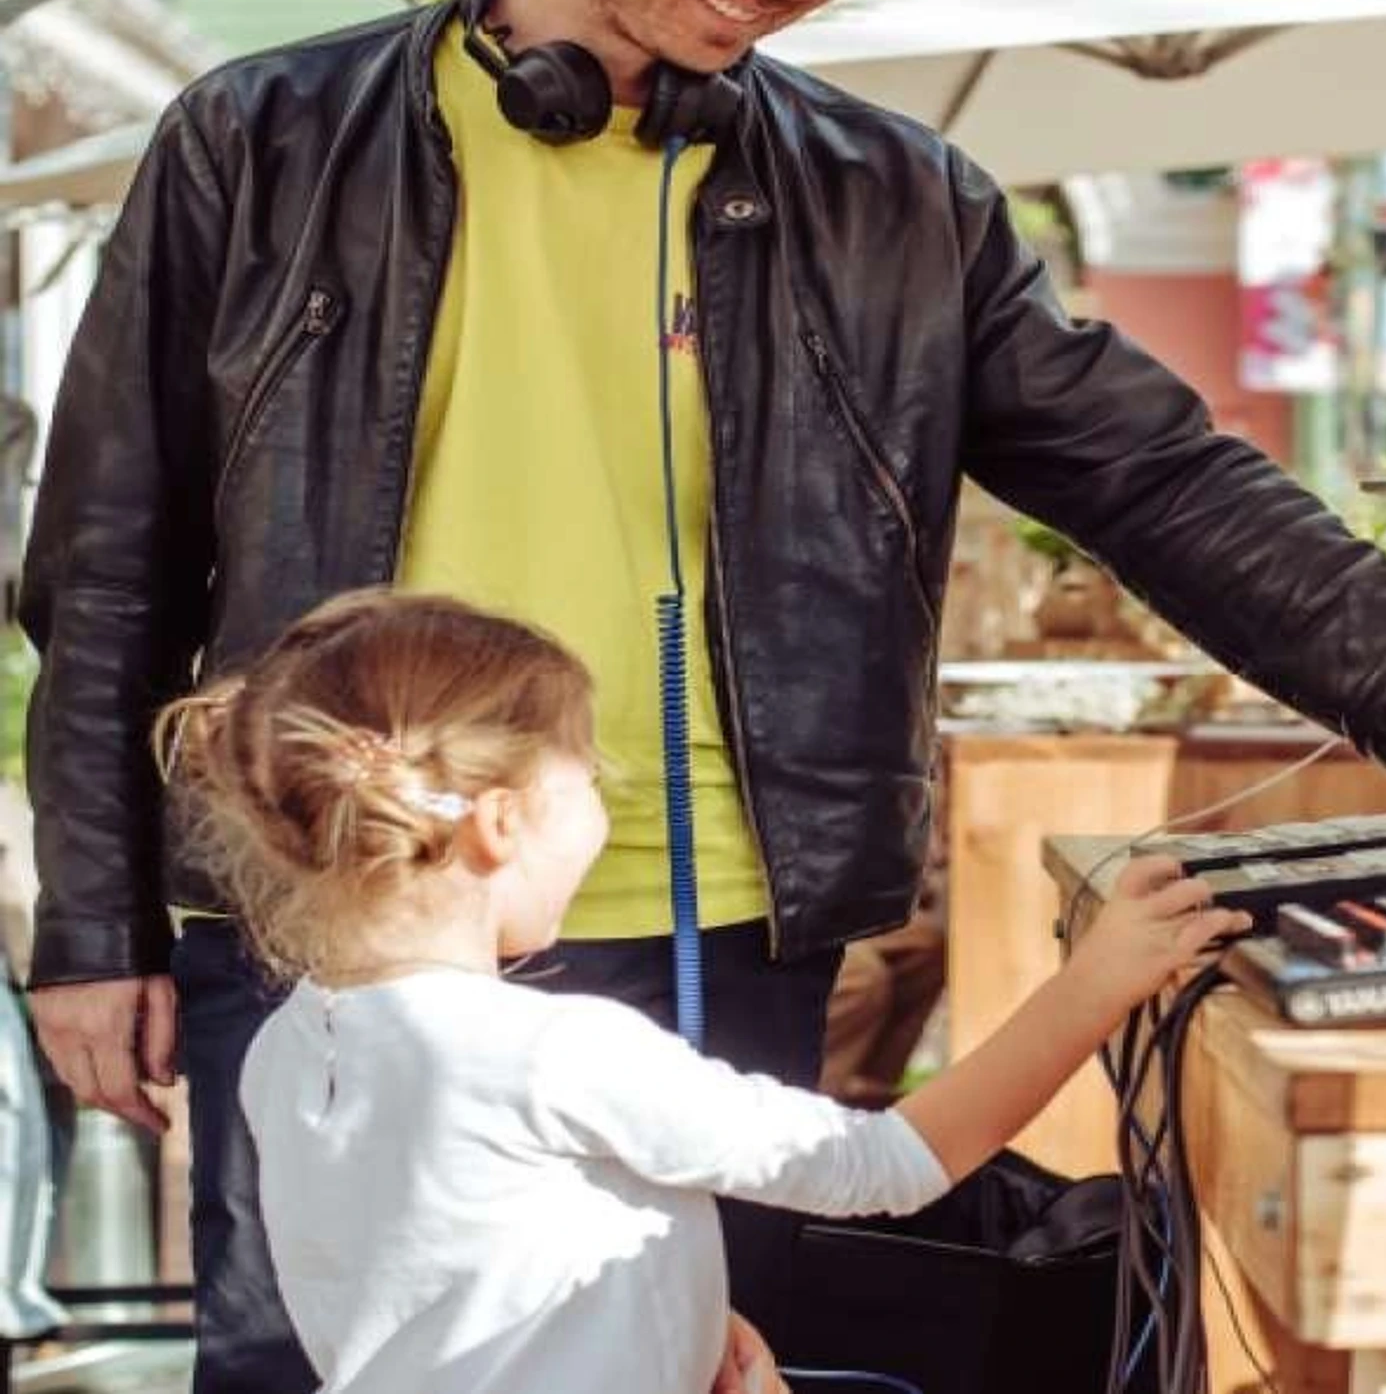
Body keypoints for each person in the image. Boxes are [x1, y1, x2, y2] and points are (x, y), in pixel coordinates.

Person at [21, 0, 1386, 1393]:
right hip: (341, 911)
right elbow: (107, 559)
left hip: (724, 924)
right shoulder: (264, 140)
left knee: (691, 1360)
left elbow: (1155, 475)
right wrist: (92, 925)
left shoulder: (898, 202)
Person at [159, 589, 1250, 1394]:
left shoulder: (288, 1046)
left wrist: (673, 1320)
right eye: (589, 773)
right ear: (499, 822)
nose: (605, 802)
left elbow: (448, 1276)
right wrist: (1100, 978)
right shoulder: (553, 1052)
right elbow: (883, 1166)